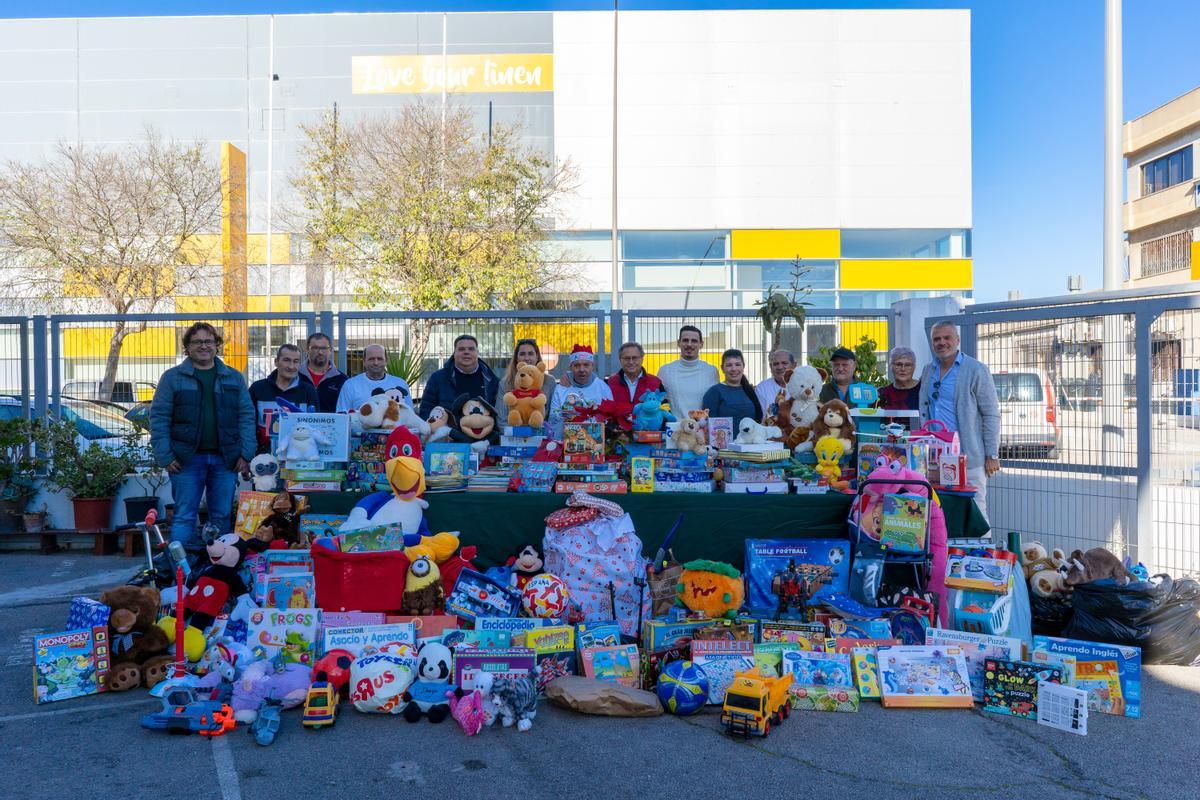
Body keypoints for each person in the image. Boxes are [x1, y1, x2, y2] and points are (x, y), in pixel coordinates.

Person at [149, 322, 255, 559]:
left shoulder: (233, 378)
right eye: (197, 342)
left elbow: (246, 416)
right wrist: (165, 455)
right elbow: (159, 418)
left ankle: (218, 570)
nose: (203, 346)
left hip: (225, 459)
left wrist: (246, 454)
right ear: (187, 347)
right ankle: (181, 574)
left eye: (208, 341)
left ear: (216, 345)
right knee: (185, 515)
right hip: (186, 460)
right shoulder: (172, 378)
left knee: (221, 517)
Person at [919, 321, 1001, 520]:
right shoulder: (928, 370)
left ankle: (980, 551)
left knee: (976, 512)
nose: (942, 343)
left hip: (969, 456)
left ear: (957, 340)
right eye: (937, 339)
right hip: (936, 458)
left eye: (947, 338)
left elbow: (991, 414)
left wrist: (992, 454)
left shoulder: (976, 369)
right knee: (941, 511)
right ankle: (947, 551)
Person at [248, 344, 320, 452]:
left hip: (299, 455)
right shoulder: (257, 388)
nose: (291, 366)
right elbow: (248, 424)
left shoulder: (308, 391)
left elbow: (315, 426)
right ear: (276, 362)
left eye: (296, 361)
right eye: (286, 360)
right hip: (264, 455)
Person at [419, 334, 500, 419]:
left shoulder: (491, 380)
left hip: (485, 430)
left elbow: (499, 412)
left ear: (477, 353)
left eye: (471, 349)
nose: (466, 352)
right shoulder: (437, 378)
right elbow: (426, 410)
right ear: (454, 353)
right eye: (461, 349)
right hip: (449, 431)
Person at [546, 344, 613, 439]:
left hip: (595, 444)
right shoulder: (561, 388)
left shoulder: (603, 388)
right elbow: (553, 417)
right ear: (570, 367)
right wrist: (565, 416)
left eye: (586, 365)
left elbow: (610, 418)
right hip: (566, 443)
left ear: (592, 366)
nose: (582, 369)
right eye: (577, 365)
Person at [657, 325, 719, 419]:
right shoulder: (665, 371)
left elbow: (715, 402)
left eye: (694, 341)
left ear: (701, 344)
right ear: (679, 343)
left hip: (702, 430)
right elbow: (659, 401)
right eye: (685, 340)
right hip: (674, 430)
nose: (689, 344)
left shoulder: (711, 371)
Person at [335, 344, 413, 413]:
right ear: (364, 361)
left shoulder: (400, 384)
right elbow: (342, 416)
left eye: (380, 359)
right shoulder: (350, 385)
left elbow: (410, 415)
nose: (376, 363)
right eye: (371, 359)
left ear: (386, 361)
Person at [496, 338, 556, 424]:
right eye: (522, 354)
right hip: (513, 434)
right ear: (516, 359)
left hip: (541, 433)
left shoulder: (550, 381)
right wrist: (514, 434)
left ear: (537, 357)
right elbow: (501, 419)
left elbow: (553, 415)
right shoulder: (505, 383)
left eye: (531, 354)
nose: (527, 358)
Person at [702, 348, 763, 424]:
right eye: (729, 365)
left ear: (743, 366)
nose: (734, 369)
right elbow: (709, 426)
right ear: (722, 368)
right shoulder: (714, 393)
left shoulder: (749, 390)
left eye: (737, 364)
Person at [606, 342, 662, 409]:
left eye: (635, 358)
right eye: (627, 358)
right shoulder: (609, 383)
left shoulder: (656, 382)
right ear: (620, 359)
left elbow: (664, 409)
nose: (631, 362)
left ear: (642, 359)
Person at [303, 332, 347, 413]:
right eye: (315, 348)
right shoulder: (296, 375)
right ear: (307, 350)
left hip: (330, 425)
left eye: (324, 348)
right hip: (300, 424)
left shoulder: (341, 380)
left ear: (330, 350)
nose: (320, 352)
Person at [755, 349, 795, 419]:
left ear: (794, 365)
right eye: (776, 364)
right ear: (771, 367)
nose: (780, 367)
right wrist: (776, 406)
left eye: (784, 363)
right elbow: (763, 419)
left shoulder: (803, 387)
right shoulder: (762, 388)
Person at [878, 346, 921, 411]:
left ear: (914, 367)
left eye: (907, 365)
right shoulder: (882, 394)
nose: (903, 369)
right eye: (898, 364)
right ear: (891, 366)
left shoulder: (923, 391)